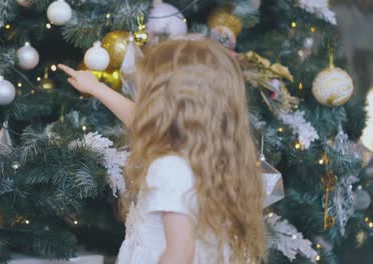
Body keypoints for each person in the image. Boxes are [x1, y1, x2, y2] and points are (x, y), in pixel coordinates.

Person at [58, 37, 266, 264]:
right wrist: (97, 88)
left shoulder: (170, 167)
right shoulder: (215, 152)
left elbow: (178, 255)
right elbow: (140, 120)